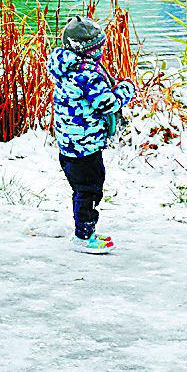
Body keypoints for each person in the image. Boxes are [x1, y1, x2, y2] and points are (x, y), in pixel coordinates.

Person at [48, 15, 132, 254]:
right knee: (89, 190)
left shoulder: (65, 68)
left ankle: (87, 231)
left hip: (70, 143)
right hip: (84, 144)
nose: (101, 52)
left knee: (85, 188)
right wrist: (126, 89)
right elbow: (107, 104)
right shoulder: (87, 75)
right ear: (90, 50)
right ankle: (83, 236)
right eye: (98, 48)